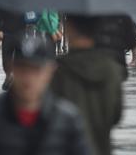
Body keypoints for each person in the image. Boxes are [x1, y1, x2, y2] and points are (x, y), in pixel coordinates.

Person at [0, 36, 92, 155]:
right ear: (10, 68)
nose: (28, 78)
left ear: (50, 71)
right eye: (22, 68)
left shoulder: (68, 119)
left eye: (36, 70)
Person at [51, 14, 124, 155]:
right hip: (101, 148)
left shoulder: (58, 70)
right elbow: (116, 115)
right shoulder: (112, 69)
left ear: (70, 28)